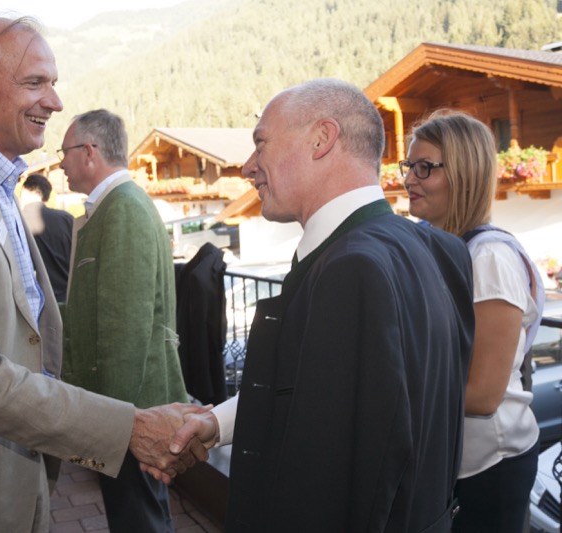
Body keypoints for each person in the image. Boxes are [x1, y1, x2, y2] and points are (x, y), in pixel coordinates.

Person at [0, 15, 205, 532]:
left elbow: (27, 330)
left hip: (19, 477)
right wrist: (128, 428)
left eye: (53, 82)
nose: (55, 101)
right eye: (34, 83)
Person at [158, 79, 476, 532]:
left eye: (261, 144)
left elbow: (330, 480)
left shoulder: (351, 269)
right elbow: (325, 395)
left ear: (322, 139)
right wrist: (217, 423)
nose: (248, 167)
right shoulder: (442, 249)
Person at [403, 111, 543, 532]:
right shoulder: (445, 248)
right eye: (409, 166)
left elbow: (482, 395)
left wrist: (386, 390)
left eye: (424, 167)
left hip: (491, 464)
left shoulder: (489, 257)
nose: (408, 179)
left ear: (464, 175)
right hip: (458, 459)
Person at [59, 109, 189, 532]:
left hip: (131, 411)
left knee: (139, 520)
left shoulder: (123, 209)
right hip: (131, 410)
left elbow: (125, 331)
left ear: (89, 152)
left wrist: (113, 428)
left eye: (64, 152)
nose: (60, 164)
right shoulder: (117, 206)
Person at [21, 173, 73, 302]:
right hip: (68, 296)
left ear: (35, 192)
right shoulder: (66, 219)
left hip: (37, 301)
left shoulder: (20, 223)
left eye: (22, 194)